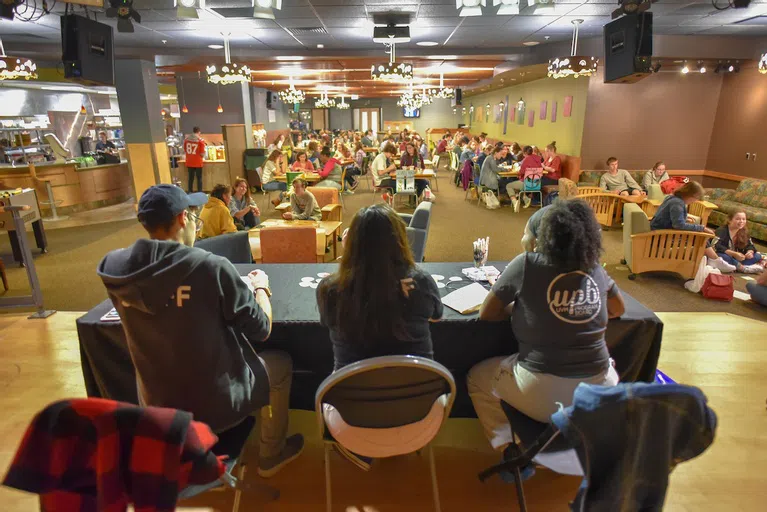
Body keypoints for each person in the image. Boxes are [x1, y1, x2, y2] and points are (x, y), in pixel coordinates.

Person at [97, 184, 304, 478]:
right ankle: (272, 452)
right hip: (216, 406)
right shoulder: (210, 267)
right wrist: (260, 288)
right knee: (280, 362)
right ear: (184, 218)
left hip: (158, 407)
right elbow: (262, 329)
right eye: (195, 217)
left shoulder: (114, 268)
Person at [467, 199, 624, 454]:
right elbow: (618, 309)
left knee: (477, 377)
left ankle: (509, 447)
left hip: (544, 391)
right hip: (601, 391)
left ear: (541, 237)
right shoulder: (594, 267)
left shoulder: (527, 262)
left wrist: (522, 309)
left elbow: (488, 312)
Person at [316, 204, 444, 468]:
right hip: (422, 420)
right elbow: (436, 316)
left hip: (350, 423)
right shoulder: (421, 280)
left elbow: (327, 323)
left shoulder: (329, 289)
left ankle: (361, 450)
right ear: (400, 240)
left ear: (351, 242)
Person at [650, 181, 714, 234]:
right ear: (690, 195)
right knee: (700, 237)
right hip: (660, 235)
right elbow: (679, 225)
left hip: (656, 230)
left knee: (700, 237)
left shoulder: (672, 197)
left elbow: (669, 217)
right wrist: (702, 228)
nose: (695, 201)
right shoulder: (677, 203)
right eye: (696, 198)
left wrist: (684, 217)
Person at [508, 146, 543, 211]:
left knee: (509, 186)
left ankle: (515, 203)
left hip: (527, 184)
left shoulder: (526, 160)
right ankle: (525, 199)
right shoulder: (538, 159)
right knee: (519, 185)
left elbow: (521, 172)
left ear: (524, 153)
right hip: (537, 184)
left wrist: (518, 173)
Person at [184, 127, 206, 193]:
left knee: (190, 178)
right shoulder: (200, 141)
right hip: (198, 162)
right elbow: (202, 154)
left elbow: (185, 150)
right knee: (199, 178)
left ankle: (190, 191)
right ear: (199, 132)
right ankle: (199, 192)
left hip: (189, 162)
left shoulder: (186, 140)